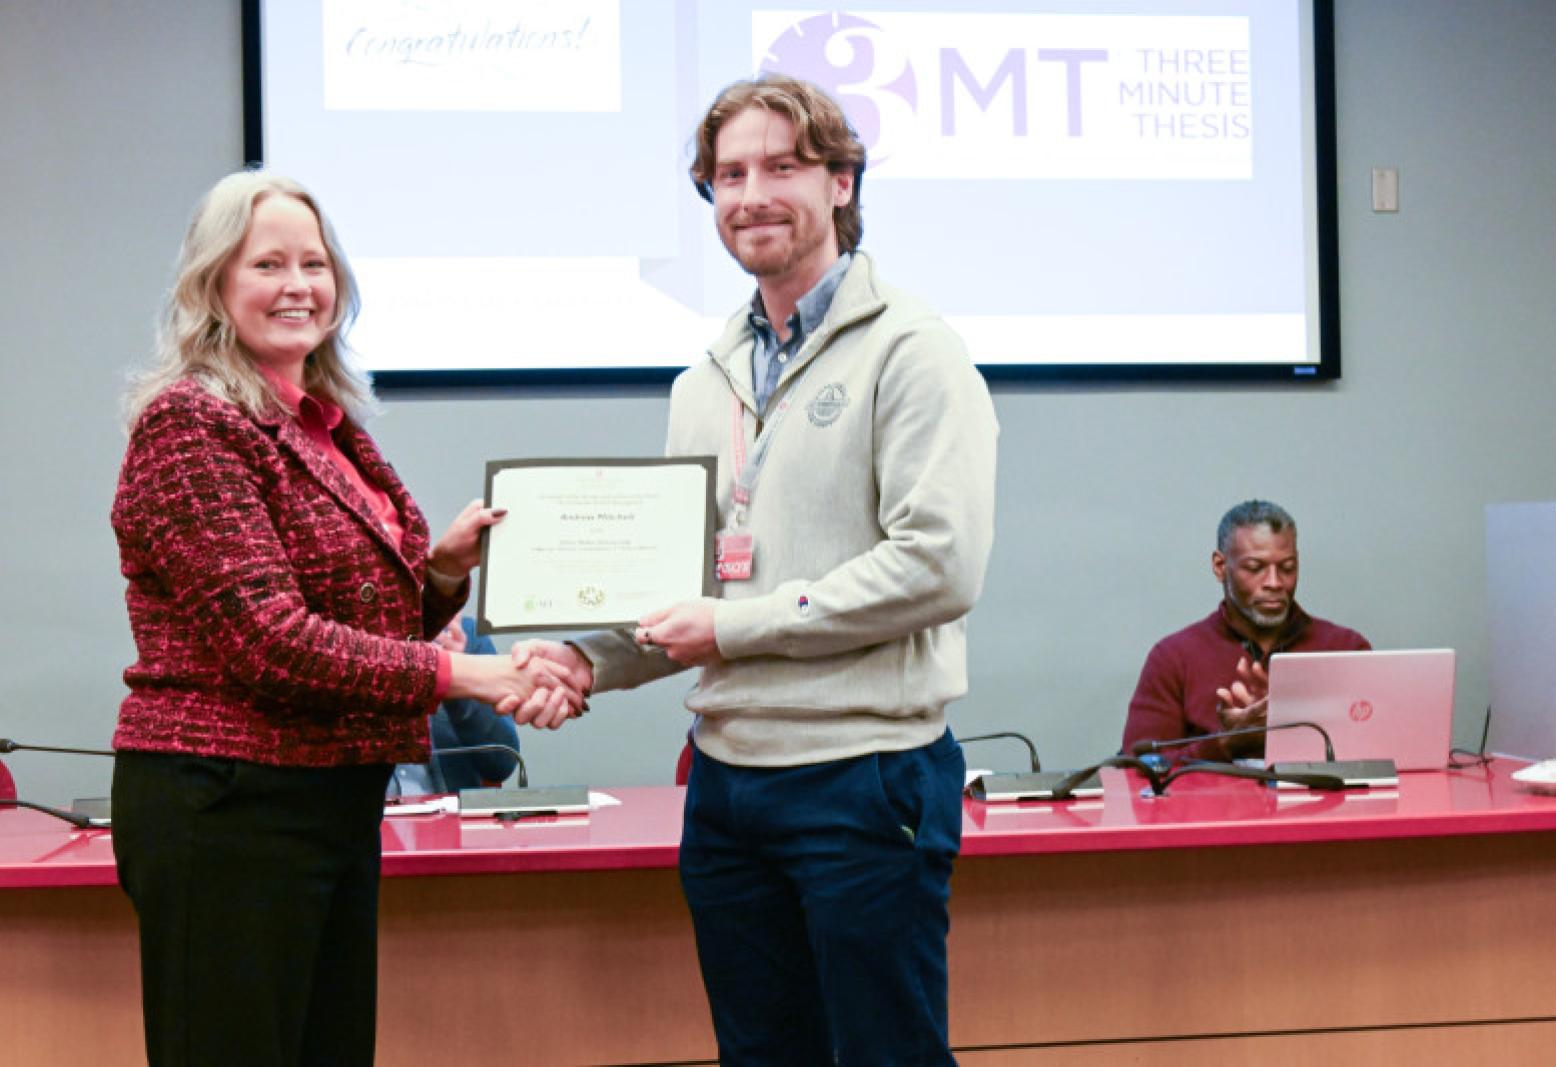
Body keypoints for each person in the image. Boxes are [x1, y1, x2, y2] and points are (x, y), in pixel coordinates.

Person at [514, 74, 997, 1065]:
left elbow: (937, 566)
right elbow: (686, 580)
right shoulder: (706, 378)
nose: (751, 194)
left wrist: (728, 628)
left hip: (863, 780)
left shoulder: (913, 351)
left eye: (783, 166)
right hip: (729, 788)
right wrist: (580, 655)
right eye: (730, 173)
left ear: (843, 182)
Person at [109, 169, 581, 1067]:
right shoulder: (189, 423)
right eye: (268, 264)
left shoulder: (328, 424)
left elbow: (355, 613)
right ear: (213, 283)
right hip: (230, 804)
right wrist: (472, 672)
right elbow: (270, 641)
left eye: (315, 264)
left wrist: (439, 573)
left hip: (328, 795)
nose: (298, 286)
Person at [1122, 500, 1370, 763]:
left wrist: (1292, 727)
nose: (1274, 583)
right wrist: (1226, 744)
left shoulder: (1347, 649)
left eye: (1287, 568)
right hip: (1211, 805)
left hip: (1322, 805)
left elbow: (1381, 758)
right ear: (1220, 566)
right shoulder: (1173, 658)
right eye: (1255, 568)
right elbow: (1137, 772)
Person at [390, 614, 522, 795]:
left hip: (447, 815)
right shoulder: (342, 644)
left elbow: (501, 764)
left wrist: (455, 679)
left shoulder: (461, 633)